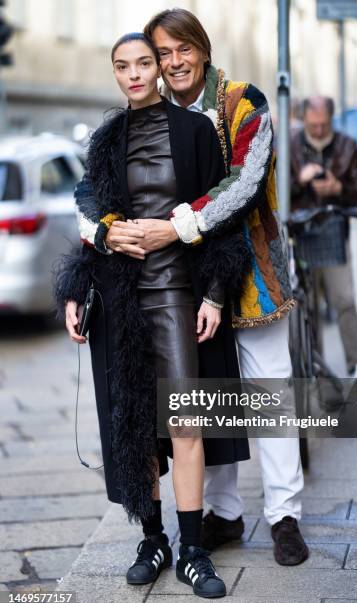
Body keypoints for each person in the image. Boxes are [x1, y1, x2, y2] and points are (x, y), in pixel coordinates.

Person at [74, 8, 309, 567]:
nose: (175, 62)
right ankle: (223, 513)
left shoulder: (243, 102)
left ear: (202, 50)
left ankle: (284, 517)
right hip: (188, 281)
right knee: (211, 395)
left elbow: (245, 184)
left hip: (252, 274)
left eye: (183, 50)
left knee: (270, 397)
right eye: (165, 53)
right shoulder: (151, 120)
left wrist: (175, 226)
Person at [54, 32, 252, 600]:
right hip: (121, 300)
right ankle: (153, 537)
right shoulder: (106, 138)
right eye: (124, 66)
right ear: (114, 74)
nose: (137, 73)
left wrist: (215, 294)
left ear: (160, 69)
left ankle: (193, 548)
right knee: (135, 425)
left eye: (146, 62)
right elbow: (88, 209)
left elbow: (222, 217)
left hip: (178, 297)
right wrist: (79, 284)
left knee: (186, 421)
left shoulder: (193, 131)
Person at [290, 96, 357, 391]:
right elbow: (276, 193)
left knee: (344, 299)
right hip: (301, 233)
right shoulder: (290, 145)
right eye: (313, 125)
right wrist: (301, 181)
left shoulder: (346, 145)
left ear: (331, 119)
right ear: (304, 119)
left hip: (333, 231)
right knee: (308, 307)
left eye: (324, 125)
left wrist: (338, 187)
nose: (318, 131)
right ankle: (317, 371)